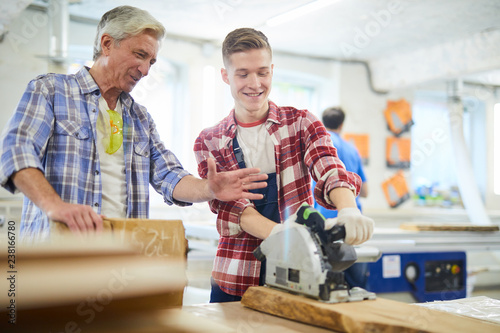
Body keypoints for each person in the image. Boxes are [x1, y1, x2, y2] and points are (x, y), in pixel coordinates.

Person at [0, 6, 267, 241]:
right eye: (139, 54)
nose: (146, 70)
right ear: (107, 44)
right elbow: (15, 151)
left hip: (119, 261)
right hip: (58, 250)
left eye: (151, 61)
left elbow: (169, 176)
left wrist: (209, 189)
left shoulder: (140, 119)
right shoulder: (51, 91)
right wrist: (54, 206)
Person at [194, 27, 374, 302]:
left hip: (298, 270)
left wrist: (348, 209)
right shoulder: (210, 140)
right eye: (242, 74)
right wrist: (278, 233)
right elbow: (230, 208)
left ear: (272, 70)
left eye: (263, 72)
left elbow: (329, 167)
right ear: (225, 75)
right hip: (236, 275)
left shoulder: (300, 123)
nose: (254, 83)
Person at [313, 107, 368, 218]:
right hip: (351, 217)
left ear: (322, 123)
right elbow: (365, 191)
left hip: (323, 217)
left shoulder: (318, 144)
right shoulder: (352, 150)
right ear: (341, 125)